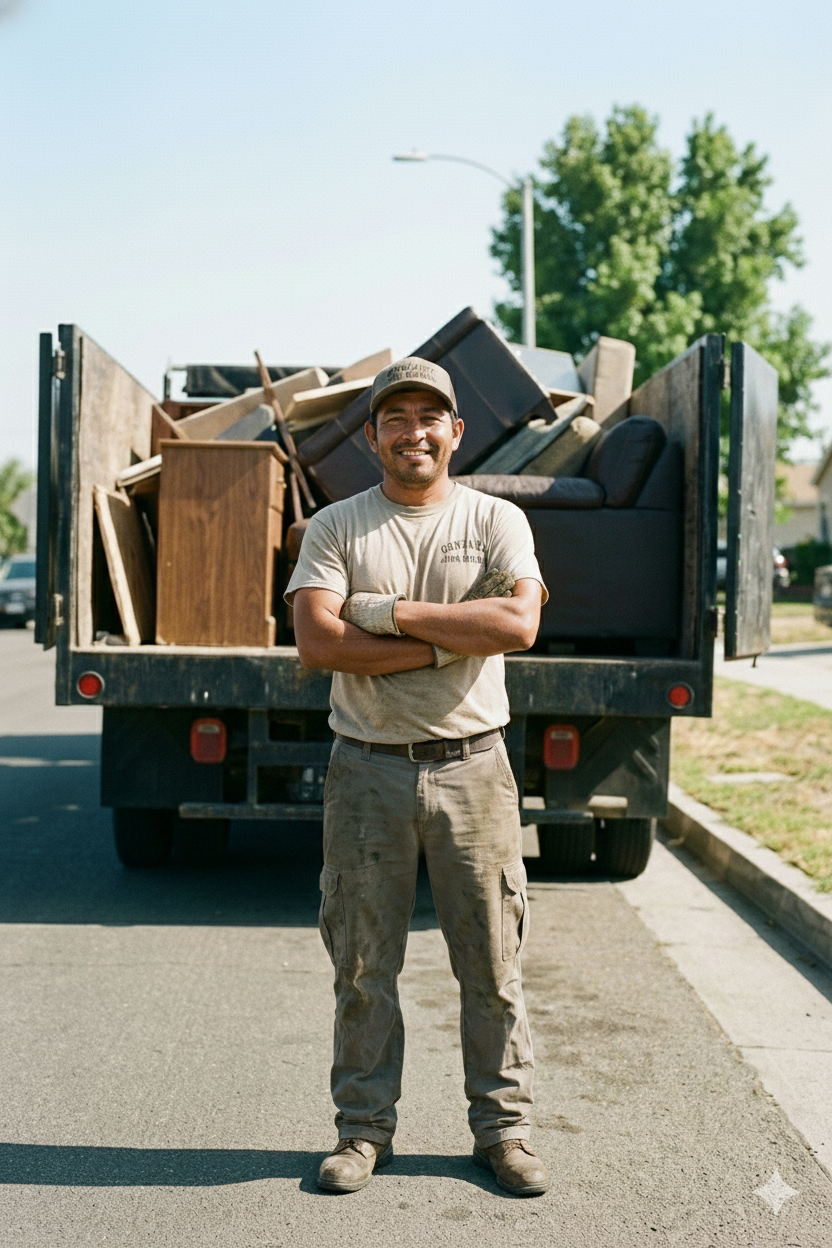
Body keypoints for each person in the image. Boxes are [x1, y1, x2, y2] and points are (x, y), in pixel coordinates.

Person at [286, 357, 550, 1197]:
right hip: (367, 771)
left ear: (455, 431)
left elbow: (517, 622)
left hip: (475, 768)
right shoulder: (336, 528)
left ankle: (503, 1132)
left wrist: (388, 615)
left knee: (493, 964)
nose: (414, 432)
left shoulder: (496, 520)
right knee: (364, 964)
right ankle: (363, 1133)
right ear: (372, 437)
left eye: (429, 417)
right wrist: (452, 639)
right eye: (395, 418)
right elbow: (321, 645)